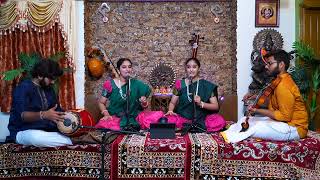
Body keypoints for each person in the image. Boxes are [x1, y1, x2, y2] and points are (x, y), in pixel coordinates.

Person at [221, 50, 308, 143]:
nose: (266, 66)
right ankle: (229, 134)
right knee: (245, 120)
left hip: (294, 128)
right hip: (283, 123)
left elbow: (284, 116)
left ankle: (231, 138)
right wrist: (254, 96)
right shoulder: (279, 80)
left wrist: (257, 110)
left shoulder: (284, 86)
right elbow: (273, 101)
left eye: (270, 63)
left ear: (281, 64)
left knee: (255, 127)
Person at [6, 59, 72, 147]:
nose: (53, 82)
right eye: (51, 79)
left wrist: (69, 117)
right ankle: (71, 141)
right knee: (35, 137)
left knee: (68, 133)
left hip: (47, 131)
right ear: (40, 75)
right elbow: (22, 115)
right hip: (23, 131)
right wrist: (43, 114)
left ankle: (69, 139)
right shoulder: (23, 88)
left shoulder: (50, 90)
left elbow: (57, 111)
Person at [95, 58, 163, 131]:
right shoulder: (110, 84)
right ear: (118, 70)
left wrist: (144, 102)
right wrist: (106, 114)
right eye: (124, 67)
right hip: (117, 116)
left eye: (129, 67)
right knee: (109, 126)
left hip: (134, 115)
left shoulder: (136, 84)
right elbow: (101, 103)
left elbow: (145, 106)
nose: (127, 69)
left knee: (158, 117)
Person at [164, 58, 226, 132]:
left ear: (198, 68)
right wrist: (170, 110)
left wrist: (201, 103)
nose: (191, 69)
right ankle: (185, 125)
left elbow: (215, 106)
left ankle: (192, 126)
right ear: (186, 69)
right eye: (188, 67)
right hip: (183, 118)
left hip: (202, 118)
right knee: (167, 120)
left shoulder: (206, 85)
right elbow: (172, 102)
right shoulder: (180, 84)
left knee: (219, 120)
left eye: (194, 67)